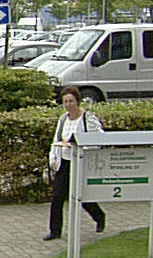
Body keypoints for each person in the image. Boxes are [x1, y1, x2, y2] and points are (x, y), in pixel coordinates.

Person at [44, 86, 107, 241]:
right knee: (58, 197)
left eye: (71, 101)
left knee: (82, 196)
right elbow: (57, 139)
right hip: (65, 162)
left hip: (80, 162)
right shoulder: (63, 119)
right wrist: (53, 159)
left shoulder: (88, 118)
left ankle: (99, 217)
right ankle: (55, 231)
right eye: (65, 102)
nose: (68, 105)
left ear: (77, 101)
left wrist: (78, 145)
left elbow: (98, 140)